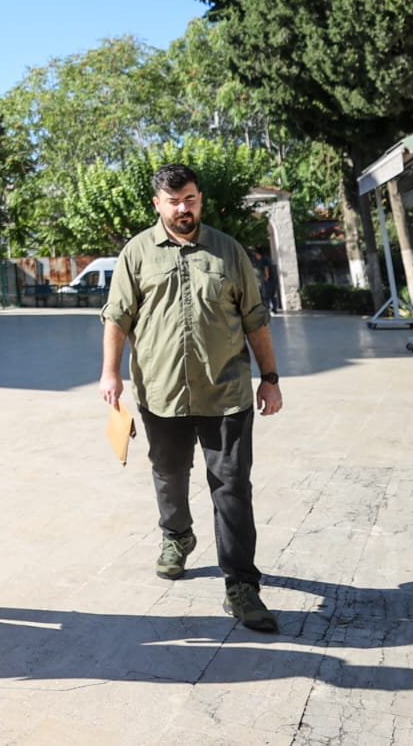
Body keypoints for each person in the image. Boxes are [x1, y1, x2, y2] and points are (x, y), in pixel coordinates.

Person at [99, 163, 282, 634]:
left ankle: (241, 585)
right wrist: (110, 373)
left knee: (232, 486)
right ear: (157, 204)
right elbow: (117, 317)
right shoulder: (137, 253)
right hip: (161, 391)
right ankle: (177, 536)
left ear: (200, 200)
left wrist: (270, 377)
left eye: (191, 200)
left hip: (226, 391)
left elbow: (254, 317)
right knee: (168, 473)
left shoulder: (228, 251)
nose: (184, 209)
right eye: (174, 201)